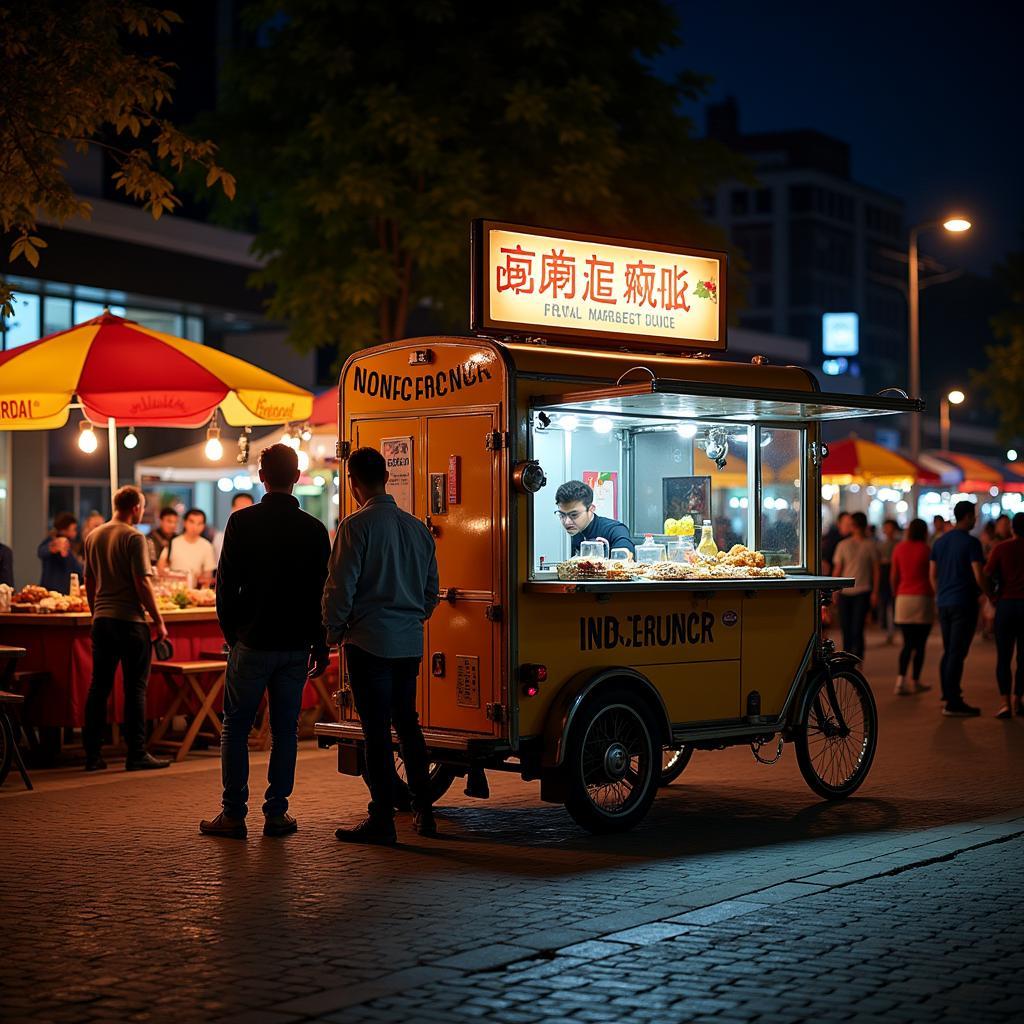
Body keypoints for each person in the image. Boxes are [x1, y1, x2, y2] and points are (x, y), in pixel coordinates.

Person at [200, 445, 331, 839]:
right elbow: (322, 592)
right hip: (295, 646)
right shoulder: (313, 529)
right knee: (285, 731)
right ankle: (276, 814)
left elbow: (225, 586)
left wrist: (232, 634)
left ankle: (233, 814)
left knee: (235, 728)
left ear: (261, 477)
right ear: (296, 477)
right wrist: (320, 643)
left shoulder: (242, 523)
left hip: (251, 641)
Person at [324, 446, 439, 845]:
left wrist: (332, 631)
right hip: (409, 641)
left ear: (354, 483)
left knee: (375, 731)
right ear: (386, 478)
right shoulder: (417, 528)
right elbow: (430, 593)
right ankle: (425, 812)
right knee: (408, 724)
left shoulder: (356, 526)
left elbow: (341, 588)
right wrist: (412, 617)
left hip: (369, 640)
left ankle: (382, 819)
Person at [81, 486, 170, 772]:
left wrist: (96, 613)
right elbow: (142, 583)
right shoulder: (134, 537)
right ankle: (137, 753)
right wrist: (158, 620)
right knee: (135, 689)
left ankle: (92, 756)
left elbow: (89, 581)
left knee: (99, 686)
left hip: (103, 620)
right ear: (136, 508)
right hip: (130, 622)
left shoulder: (93, 536)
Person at [930, 499, 984, 717]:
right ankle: (953, 701)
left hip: (944, 602)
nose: (975, 519)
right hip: (964, 602)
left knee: (949, 650)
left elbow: (932, 574)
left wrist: (939, 594)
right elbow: (979, 574)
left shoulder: (940, 542)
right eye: (974, 515)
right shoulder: (971, 543)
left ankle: (948, 693)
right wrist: (989, 593)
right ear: (968, 516)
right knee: (957, 652)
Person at [983, 511, 1024, 718]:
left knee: (1004, 657)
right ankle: (1019, 699)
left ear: (1012, 529)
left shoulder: (1001, 548)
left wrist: (992, 595)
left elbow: (986, 573)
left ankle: (1005, 702)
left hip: (1006, 605)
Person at [891, 518, 934, 696]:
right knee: (920, 644)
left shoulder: (899, 548)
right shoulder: (926, 550)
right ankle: (915, 680)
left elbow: (894, 576)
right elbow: (932, 575)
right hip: (923, 598)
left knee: (907, 643)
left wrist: (896, 594)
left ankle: (900, 681)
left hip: (904, 599)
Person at [832, 511, 879, 659]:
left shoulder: (844, 545)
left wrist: (833, 591)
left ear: (854, 525)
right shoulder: (869, 545)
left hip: (851, 591)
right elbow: (876, 571)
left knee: (851, 629)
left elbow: (837, 570)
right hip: (862, 590)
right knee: (854, 629)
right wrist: (875, 592)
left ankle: (851, 659)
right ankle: (855, 660)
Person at [555, 479, 635, 557]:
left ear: (591, 509)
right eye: (562, 515)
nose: (566, 522)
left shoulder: (615, 530)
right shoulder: (577, 531)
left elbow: (626, 560)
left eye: (574, 515)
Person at [158, 508, 216, 584]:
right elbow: (160, 569)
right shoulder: (173, 542)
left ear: (203, 526)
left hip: (194, 592)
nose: (195, 527)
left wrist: (198, 579)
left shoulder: (207, 546)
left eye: (199, 523)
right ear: (184, 522)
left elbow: (207, 576)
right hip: (172, 590)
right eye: (191, 522)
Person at [37, 512, 84, 593]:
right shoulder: (51, 542)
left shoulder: (73, 545)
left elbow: (77, 569)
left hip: (65, 591)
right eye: (73, 529)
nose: (75, 532)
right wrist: (52, 548)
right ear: (64, 530)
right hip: (51, 591)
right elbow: (41, 552)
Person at [212, 493, 256, 561]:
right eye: (240, 509)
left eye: (247, 509)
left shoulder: (259, 536)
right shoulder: (220, 538)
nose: (244, 513)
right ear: (232, 510)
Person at [877, 519, 900, 643]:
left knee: (892, 602)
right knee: (885, 603)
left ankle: (892, 629)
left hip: (893, 571)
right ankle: (888, 629)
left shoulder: (898, 543)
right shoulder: (881, 544)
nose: (886, 530)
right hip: (884, 574)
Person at [821, 511, 851, 576]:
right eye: (846, 524)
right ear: (839, 524)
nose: (849, 527)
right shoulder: (831, 539)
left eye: (850, 524)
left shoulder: (850, 540)